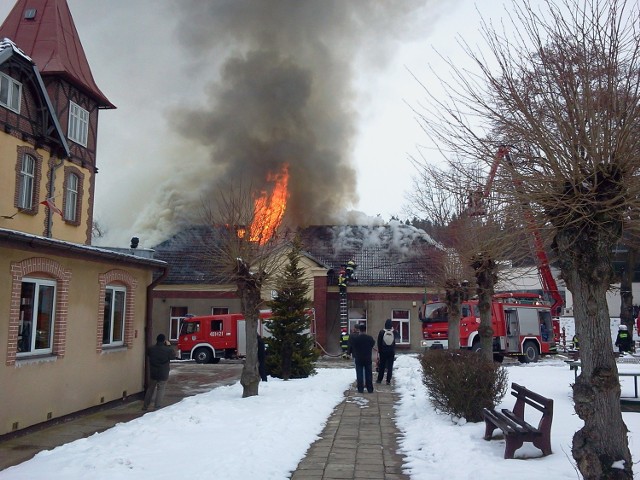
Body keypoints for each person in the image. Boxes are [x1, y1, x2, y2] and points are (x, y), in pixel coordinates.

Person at [143, 333, 176, 411]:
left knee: (150, 389)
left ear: (157, 340)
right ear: (164, 341)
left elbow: (148, 354)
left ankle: (145, 406)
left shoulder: (151, 349)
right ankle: (157, 406)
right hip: (163, 372)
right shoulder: (168, 350)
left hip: (153, 372)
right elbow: (173, 356)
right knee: (160, 389)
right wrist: (168, 346)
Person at [349, 323, 375, 393]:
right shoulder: (369, 338)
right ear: (365, 330)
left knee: (359, 374)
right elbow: (373, 344)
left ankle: (360, 389)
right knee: (368, 374)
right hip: (367, 358)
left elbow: (353, 346)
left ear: (359, 330)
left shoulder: (356, 339)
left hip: (359, 358)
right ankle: (370, 388)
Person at [377, 319, 397, 385]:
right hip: (391, 351)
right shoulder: (393, 332)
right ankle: (388, 380)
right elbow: (397, 339)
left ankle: (379, 379)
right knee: (390, 366)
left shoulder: (382, 332)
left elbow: (379, 342)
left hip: (383, 351)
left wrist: (379, 350)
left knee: (382, 365)